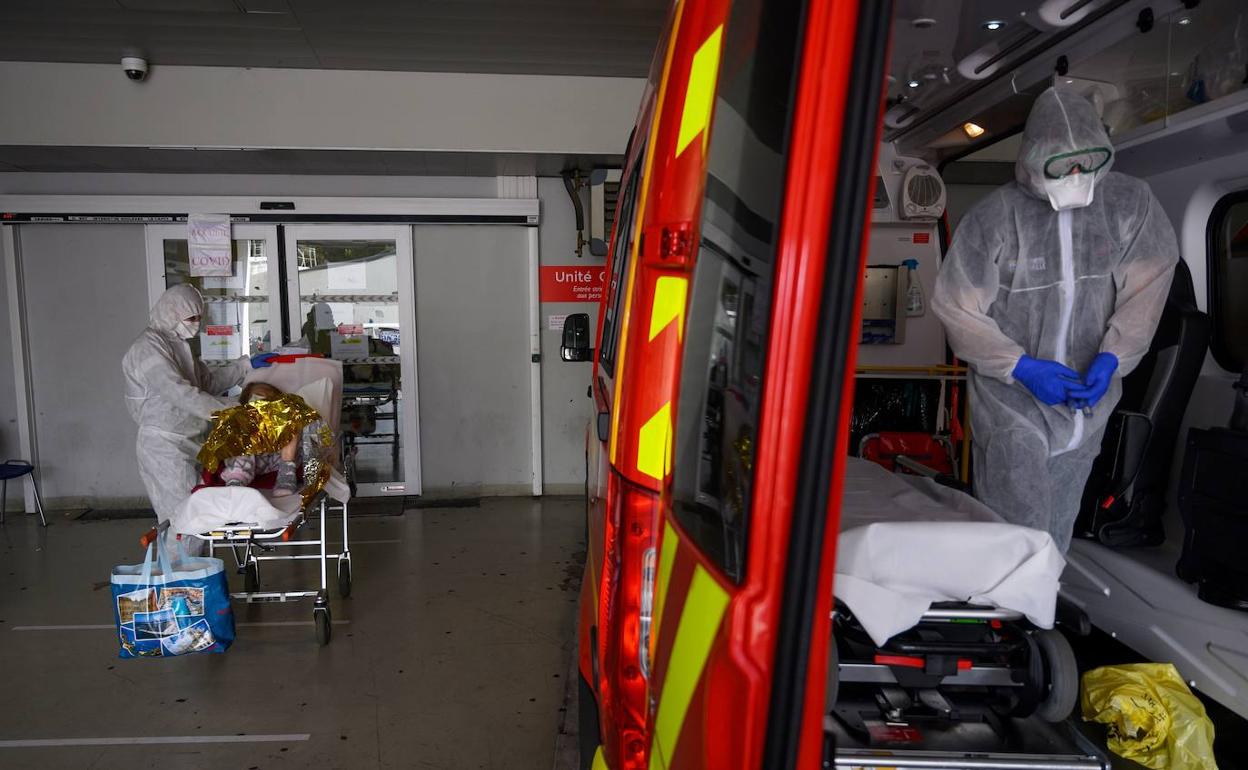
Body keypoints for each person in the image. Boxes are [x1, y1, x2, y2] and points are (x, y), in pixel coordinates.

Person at [931, 87, 1179, 552]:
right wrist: (1020, 366)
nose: (1077, 175)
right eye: (1062, 166)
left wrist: (1113, 356)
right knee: (1016, 532)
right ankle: (1013, 598)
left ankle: (1045, 592)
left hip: (1088, 402)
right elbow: (956, 306)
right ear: (1032, 161)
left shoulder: (1129, 203)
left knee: (1058, 529)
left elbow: (1149, 284)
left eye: (1087, 162)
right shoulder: (994, 217)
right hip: (1012, 404)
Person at [122, 284, 276, 527]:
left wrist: (245, 366)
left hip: (192, 441)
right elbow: (183, 395)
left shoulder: (177, 344)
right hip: (165, 448)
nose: (196, 324)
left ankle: (190, 554)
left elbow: (207, 383)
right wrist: (236, 410)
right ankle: (177, 554)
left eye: (198, 318)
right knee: (184, 521)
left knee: (201, 517)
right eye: (191, 318)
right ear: (171, 313)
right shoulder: (147, 350)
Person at [218, 382, 328, 497]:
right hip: (253, 463)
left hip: (286, 459)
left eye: (270, 398)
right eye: (258, 398)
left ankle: (287, 474)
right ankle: (236, 481)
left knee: (300, 421)